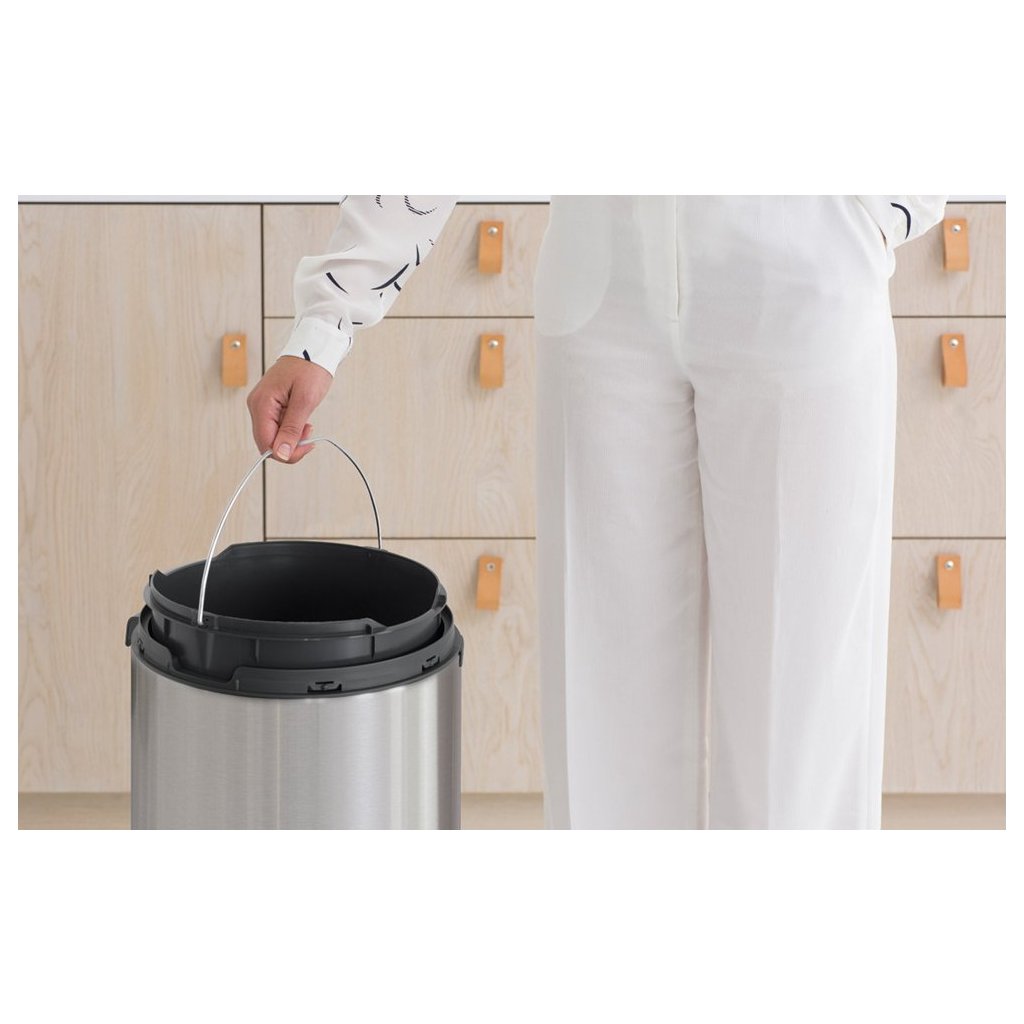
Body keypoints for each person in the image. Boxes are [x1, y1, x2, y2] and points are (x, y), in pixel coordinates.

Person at [246, 194, 948, 829]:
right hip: (605, 273)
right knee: (605, 710)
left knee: (800, 718)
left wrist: (877, 210)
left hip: (801, 255)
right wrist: (327, 320)